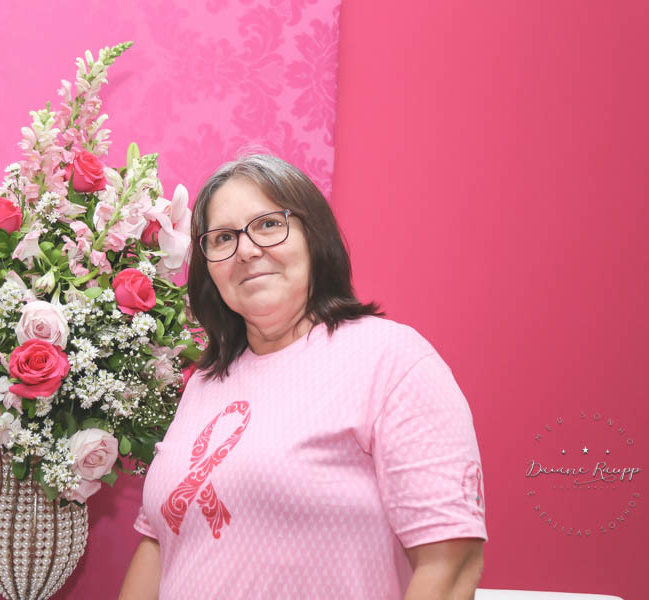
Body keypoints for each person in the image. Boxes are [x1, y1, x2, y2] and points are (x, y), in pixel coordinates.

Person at [119, 154, 487, 599]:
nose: (247, 250)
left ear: (314, 236)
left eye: (269, 224)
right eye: (223, 237)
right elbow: (160, 543)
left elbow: (450, 564)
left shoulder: (391, 359)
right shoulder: (205, 382)